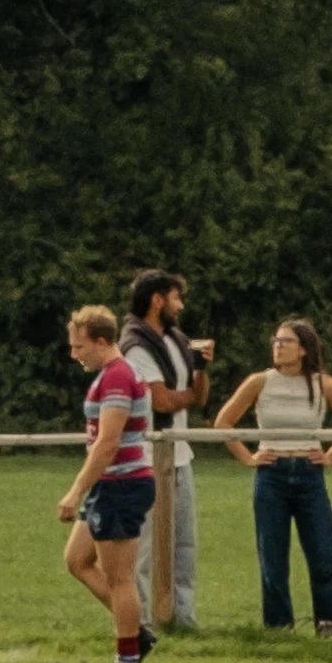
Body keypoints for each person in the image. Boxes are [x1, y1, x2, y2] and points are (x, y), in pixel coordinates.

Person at [213, 317, 332, 632]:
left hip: (309, 473)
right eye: (276, 341)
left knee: (324, 553)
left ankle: (330, 623)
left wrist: (331, 455)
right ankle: (280, 627)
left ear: (304, 349)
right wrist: (249, 458)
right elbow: (223, 423)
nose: (278, 347)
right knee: (273, 557)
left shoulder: (324, 384)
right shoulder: (259, 382)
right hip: (272, 474)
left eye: (286, 342)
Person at [58, 305, 156, 663]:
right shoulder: (110, 375)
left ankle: (128, 654)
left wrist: (75, 491)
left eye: (79, 346)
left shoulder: (116, 377)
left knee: (119, 578)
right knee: (77, 560)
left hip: (122, 484)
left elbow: (107, 442)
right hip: (110, 484)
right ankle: (136, 633)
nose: (74, 354)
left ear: (102, 342)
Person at [120, 269, 211, 634]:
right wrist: (185, 397)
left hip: (180, 455)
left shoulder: (176, 340)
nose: (181, 305)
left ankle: (183, 619)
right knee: (144, 547)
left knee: (184, 543)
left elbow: (198, 398)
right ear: (157, 299)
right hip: (146, 459)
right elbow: (161, 401)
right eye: (176, 297)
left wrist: (201, 368)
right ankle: (142, 621)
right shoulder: (136, 345)